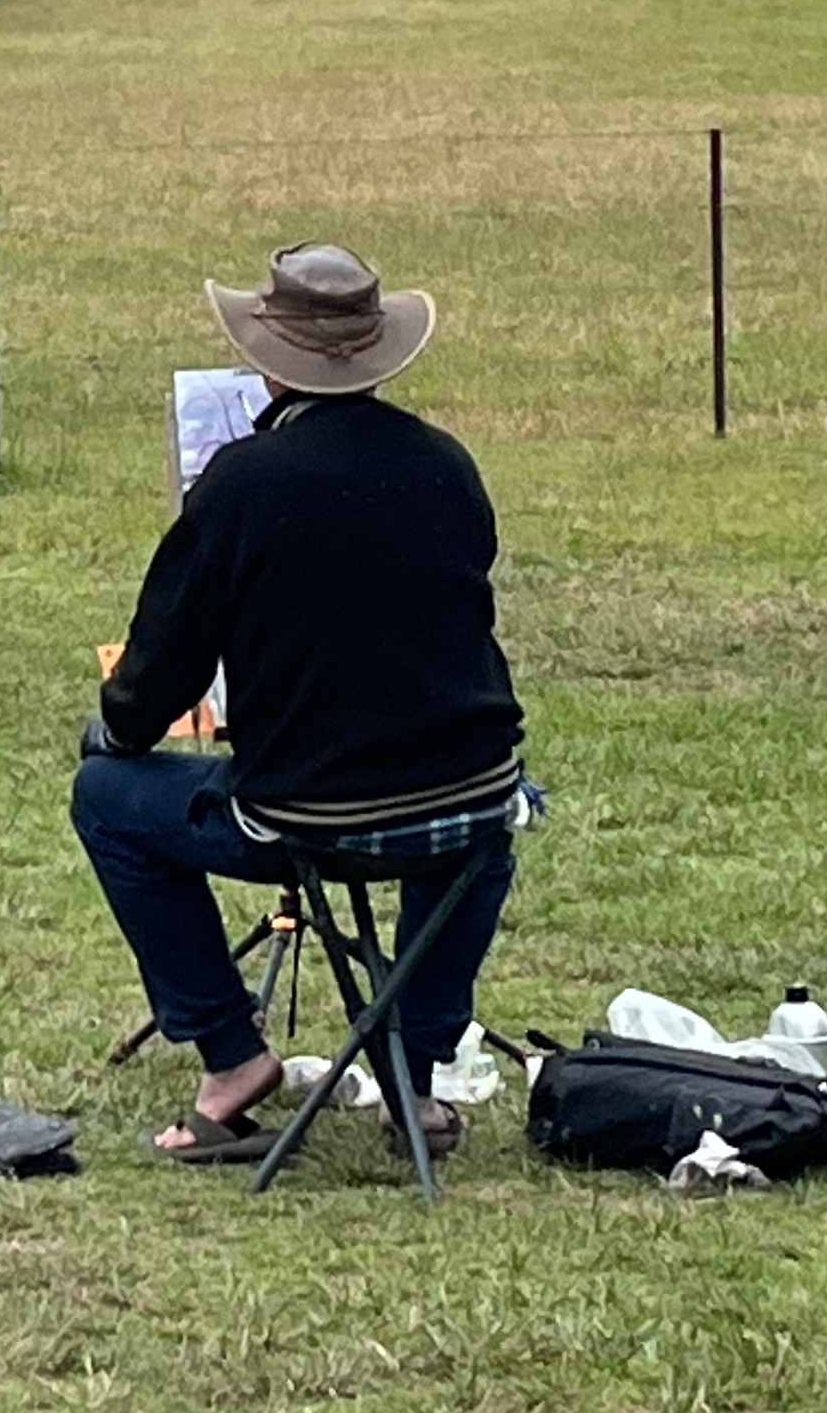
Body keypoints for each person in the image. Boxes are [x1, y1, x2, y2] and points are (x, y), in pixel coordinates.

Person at [71, 240, 531, 1165]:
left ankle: (231, 1055)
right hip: (471, 793)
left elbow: (162, 670)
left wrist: (113, 730)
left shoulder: (241, 482)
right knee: (488, 823)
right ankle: (416, 1058)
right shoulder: (447, 463)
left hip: (310, 812)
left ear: (265, 361)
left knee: (105, 800)